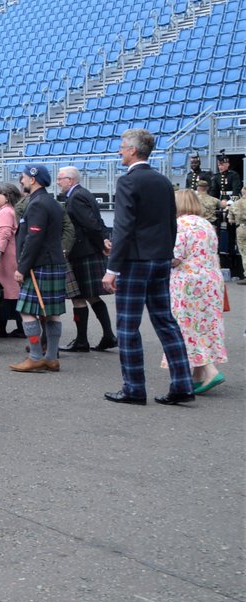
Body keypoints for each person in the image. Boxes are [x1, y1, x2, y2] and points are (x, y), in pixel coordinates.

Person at [102, 129, 194, 406]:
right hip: (160, 259)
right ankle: (182, 384)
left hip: (135, 262)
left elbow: (123, 227)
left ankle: (134, 388)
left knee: (128, 327)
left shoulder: (129, 181)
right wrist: (167, 255)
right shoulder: (164, 181)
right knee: (165, 322)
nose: (119, 151)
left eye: (122, 147)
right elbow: (171, 223)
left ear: (132, 150)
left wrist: (112, 268)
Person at [163, 190, 227, 394]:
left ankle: (209, 370)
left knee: (186, 325)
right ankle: (198, 374)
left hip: (188, 282)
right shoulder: (206, 224)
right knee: (204, 324)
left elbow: (175, 256)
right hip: (211, 281)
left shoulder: (180, 225)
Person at [8, 165, 67, 373]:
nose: (21, 181)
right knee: (52, 313)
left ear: (33, 179)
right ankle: (51, 358)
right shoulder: (51, 202)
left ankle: (35, 356)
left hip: (40, 264)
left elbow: (33, 239)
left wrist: (22, 268)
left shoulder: (37, 204)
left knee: (26, 311)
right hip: (52, 262)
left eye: (23, 177)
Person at [55, 167, 117, 352]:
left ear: (70, 180)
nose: (58, 182)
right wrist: (104, 240)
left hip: (82, 252)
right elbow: (97, 223)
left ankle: (84, 340)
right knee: (89, 296)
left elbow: (90, 224)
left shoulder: (77, 197)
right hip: (88, 251)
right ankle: (107, 336)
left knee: (78, 296)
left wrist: (102, 244)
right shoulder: (82, 194)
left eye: (60, 179)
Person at [0, 182, 23, 338]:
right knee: (12, 293)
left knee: (3, 294)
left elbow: (2, 236)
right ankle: (19, 327)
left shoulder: (5, 212)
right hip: (11, 258)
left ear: (7, 196)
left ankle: (1, 328)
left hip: (5, 260)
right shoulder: (10, 211)